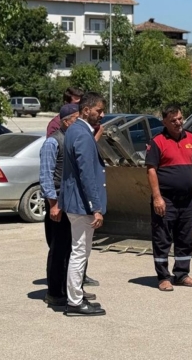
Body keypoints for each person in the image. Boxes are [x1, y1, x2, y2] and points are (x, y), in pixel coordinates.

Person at [39, 104, 98, 307]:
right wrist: (53, 204)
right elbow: (46, 176)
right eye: (75, 118)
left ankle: (74, 289)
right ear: (66, 121)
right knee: (59, 247)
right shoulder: (53, 142)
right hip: (57, 202)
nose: (78, 122)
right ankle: (55, 292)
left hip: (71, 202)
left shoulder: (74, 139)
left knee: (75, 248)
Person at [145, 104, 192, 291]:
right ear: (165, 122)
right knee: (162, 238)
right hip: (166, 199)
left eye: (180, 118)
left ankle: (182, 274)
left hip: (186, 199)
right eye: (173, 121)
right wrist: (157, 197)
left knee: (184, 238)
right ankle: (163, 277)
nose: (178, 123)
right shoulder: (157, 142)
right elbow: (151, 170)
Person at [60, 92, 107, 316]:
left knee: (81, 251)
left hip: (76, 202)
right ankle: (75, 302)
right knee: (80, 252)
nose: (102, 115)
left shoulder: (75, 130)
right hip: (81, 204)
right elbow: (86, 173)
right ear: (86, 110)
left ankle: (76, 295)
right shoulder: (81, 134)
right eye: (99, 110)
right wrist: (96, 207)